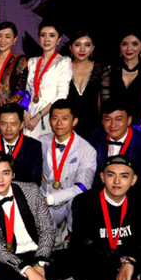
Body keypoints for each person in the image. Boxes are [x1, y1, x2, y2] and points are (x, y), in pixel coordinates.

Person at [0, 153, 100, 280]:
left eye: (5, 173)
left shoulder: (31, 191)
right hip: (12, 257)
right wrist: (29, 270)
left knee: (76, 257)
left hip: (38, 252)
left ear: (13, 174)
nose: (0, 179)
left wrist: (39, 264)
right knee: (1, 272)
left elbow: (47, 229)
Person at [90, 100, 141, 208]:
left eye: (118, 119)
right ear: (102, 121)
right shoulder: (96, 137)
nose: (113, 124)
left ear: (129, 120)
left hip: (135, 203)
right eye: (108, 119)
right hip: (100, 200)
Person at [38, 99, 97, 239]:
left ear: (74, 121)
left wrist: (52, 199)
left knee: (80, 207)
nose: (59, 123)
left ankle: (71, 238)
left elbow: (83, 187)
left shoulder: (87, 150)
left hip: (71, 202)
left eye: (64, 118)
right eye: (55, 118)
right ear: (50, 121)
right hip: (44, 197)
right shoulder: (41, 141)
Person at [24, 22, 72, 139]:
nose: (46, 39)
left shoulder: (63, 62)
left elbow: (61, 95)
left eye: (52, 35)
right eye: (43, 35)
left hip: (49, 115)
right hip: (29, 116)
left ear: (59, 39)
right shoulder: (32, 62)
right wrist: (25, 111)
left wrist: (38, 116)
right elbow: (27, 90)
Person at [104, 31, 141, 130]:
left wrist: (138, 129)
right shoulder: (108, 70)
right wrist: (111, 127)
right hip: (112, 127)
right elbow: (103, 105)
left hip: (139, 127)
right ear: (120, 46)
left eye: (135, 44)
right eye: (125, 44)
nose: (129, 48)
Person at [0, 103, 42, 186]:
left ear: (21, 125)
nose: (8, 129)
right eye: (4, 124)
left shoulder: (33, 146)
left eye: (13, 124)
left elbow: (34, 181)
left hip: (23, 193)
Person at [0, 21, 28, 135]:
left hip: (10, 118)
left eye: (7, 37)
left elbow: (19, 92)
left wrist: (0, 116)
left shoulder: (20, 61)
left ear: (15, 39)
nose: (2, 40)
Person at [65, 30, 107, 140]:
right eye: (77, 45)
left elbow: (104, 103)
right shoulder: (62, 68)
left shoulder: (101, 69)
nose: (82, 49)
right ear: (70, 47)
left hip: (94, 129)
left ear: (93, 47)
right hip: (66, 127)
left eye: (87, 45)